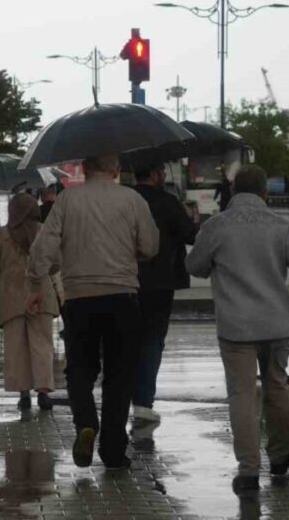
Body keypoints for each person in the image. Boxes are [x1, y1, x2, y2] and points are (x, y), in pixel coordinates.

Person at [185, 164, 289, 496]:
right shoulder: (281, 227)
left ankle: (249, 472)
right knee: (277, 388)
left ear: (235, 191)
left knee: (242, 395)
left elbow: (194, 266)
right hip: (276, 324)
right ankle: (281, 458)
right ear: (265, 192)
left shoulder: (217, 226)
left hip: (236, 327)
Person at [27, 154, 159, 470]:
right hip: (122, 296)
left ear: (84, 169)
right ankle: (113, 450)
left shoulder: (67, 200)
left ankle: (86, 423)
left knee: (80, 369)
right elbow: (151, 246)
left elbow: (43, 247)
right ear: (115, 169)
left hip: (79, 298)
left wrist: (35, 281)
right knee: (120, 373)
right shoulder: (132, 199)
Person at [131, 165, 197, 427]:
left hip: (126, 280)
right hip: (161, 282)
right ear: (156, 174)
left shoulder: (127, 198)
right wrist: (192, 218)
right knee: (153, 340)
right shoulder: (168, 202)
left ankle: (125, 395)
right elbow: (190, 235)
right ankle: (144, 402)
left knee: (128, 340)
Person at [0, 193, 59, 411]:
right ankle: (44, 391)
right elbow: (56, 264)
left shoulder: (2, 234)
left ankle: (23, 393)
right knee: (42, 344)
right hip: (41, 296)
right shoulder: (44, 231)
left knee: (16, 346)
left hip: (11, 297)